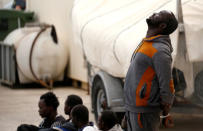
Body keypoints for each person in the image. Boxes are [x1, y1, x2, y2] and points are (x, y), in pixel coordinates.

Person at [124, 10, 178, 131]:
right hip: (133, 106)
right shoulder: (147, 43)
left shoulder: (160, 50)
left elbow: (167, 83)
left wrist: (166, 113)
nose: (154, 13)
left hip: (144, 110)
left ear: (162, 26)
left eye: (158, 15)